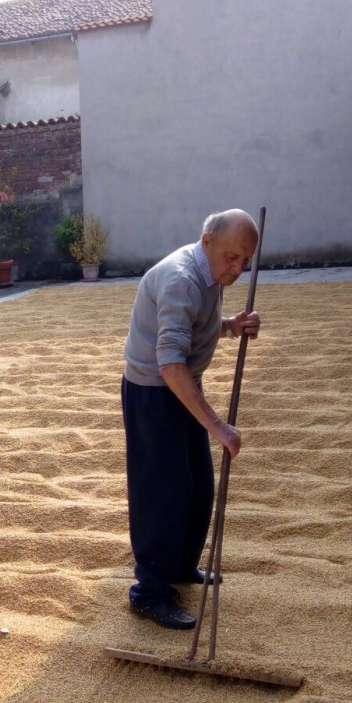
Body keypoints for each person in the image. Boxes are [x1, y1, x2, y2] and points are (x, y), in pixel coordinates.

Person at [121, 209, 261, 630]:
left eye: (244, 262)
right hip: (154, 391)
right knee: (164, 492)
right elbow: (170, 364)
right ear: (206, 242)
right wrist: (216, 424)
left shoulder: (208, 273)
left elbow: (193, 325)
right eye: (230, 258)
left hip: (179, 387)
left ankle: (180, 567)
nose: (236, 269)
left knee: (198, 483)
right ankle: (148, 594)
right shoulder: (182, 278)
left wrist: (231, 326)